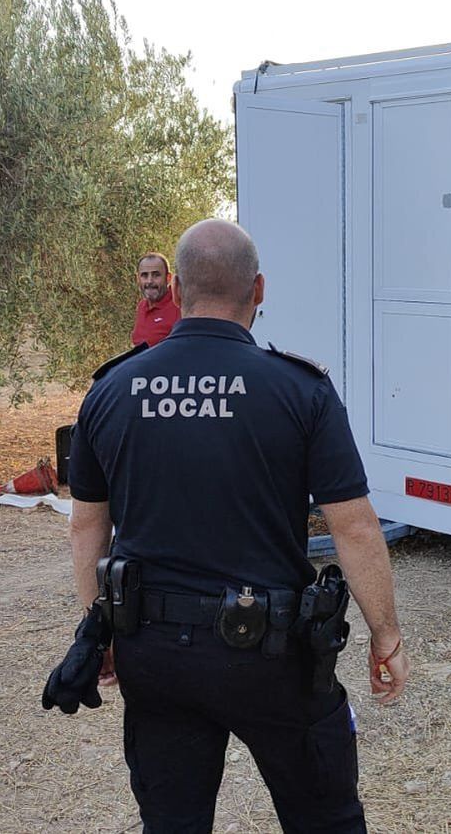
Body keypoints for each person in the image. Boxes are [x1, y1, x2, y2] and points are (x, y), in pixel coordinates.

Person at [49, 219, 409, 833]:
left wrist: (97, 630)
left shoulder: (112, 390)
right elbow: (353, 527)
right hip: (273, 656)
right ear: (258, 289)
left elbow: (87, 527)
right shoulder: (300, 389)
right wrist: (386, 635)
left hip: (154, 654)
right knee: (326, 821)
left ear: (177, 289)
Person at [131, 252, 181, 347]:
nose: (149, 281)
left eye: (156, 275)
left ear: (168, 278)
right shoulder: (142, 307)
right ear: (138, 279)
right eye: (144, 275)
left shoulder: (179, 305)